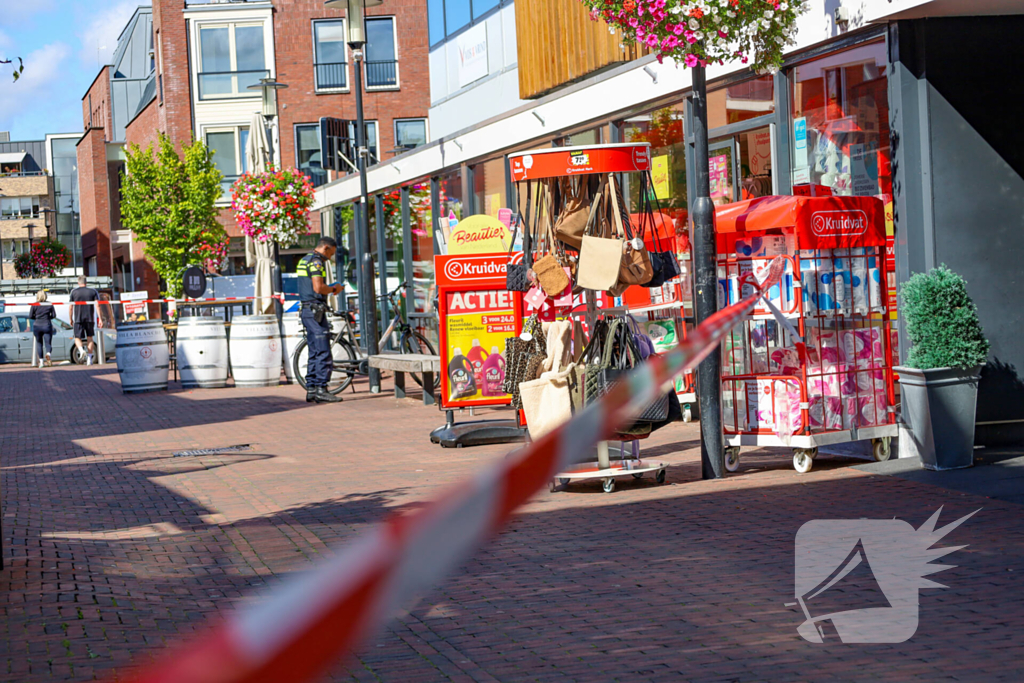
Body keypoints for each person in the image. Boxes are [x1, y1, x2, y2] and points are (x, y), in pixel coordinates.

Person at [296, 236, 344, 404]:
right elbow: (318, 287)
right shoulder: (316, 262)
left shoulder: (304, 259)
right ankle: (321, 389)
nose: (330, 257)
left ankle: (311, 389)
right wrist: (334, 288)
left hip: (307, 310)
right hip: (315, 310)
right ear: (325, 248)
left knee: (314, 350)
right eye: (331, 253)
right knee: (323, 351)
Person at [70, 275, 102, 364]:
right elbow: (97, 305)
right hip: (90, 318)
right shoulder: (93, 291)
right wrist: (100, 319)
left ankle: (81, 350)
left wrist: (70, 318)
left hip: (78, 318)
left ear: (78, 282)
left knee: (77, 337)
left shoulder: (74, 292)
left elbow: (71, 307)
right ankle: (89, 358)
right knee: (90, 338)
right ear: (86, 282)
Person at [30, 290, 56, 368]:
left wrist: (37, 317)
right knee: (48, 343)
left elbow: (30, 316)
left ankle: (41, 362)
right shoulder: (49, 304)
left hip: (37, 325)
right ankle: (48, 354)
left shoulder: (34, 305)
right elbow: (54, 315)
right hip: (47, 325)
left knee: (39, 343)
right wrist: (48, 317)